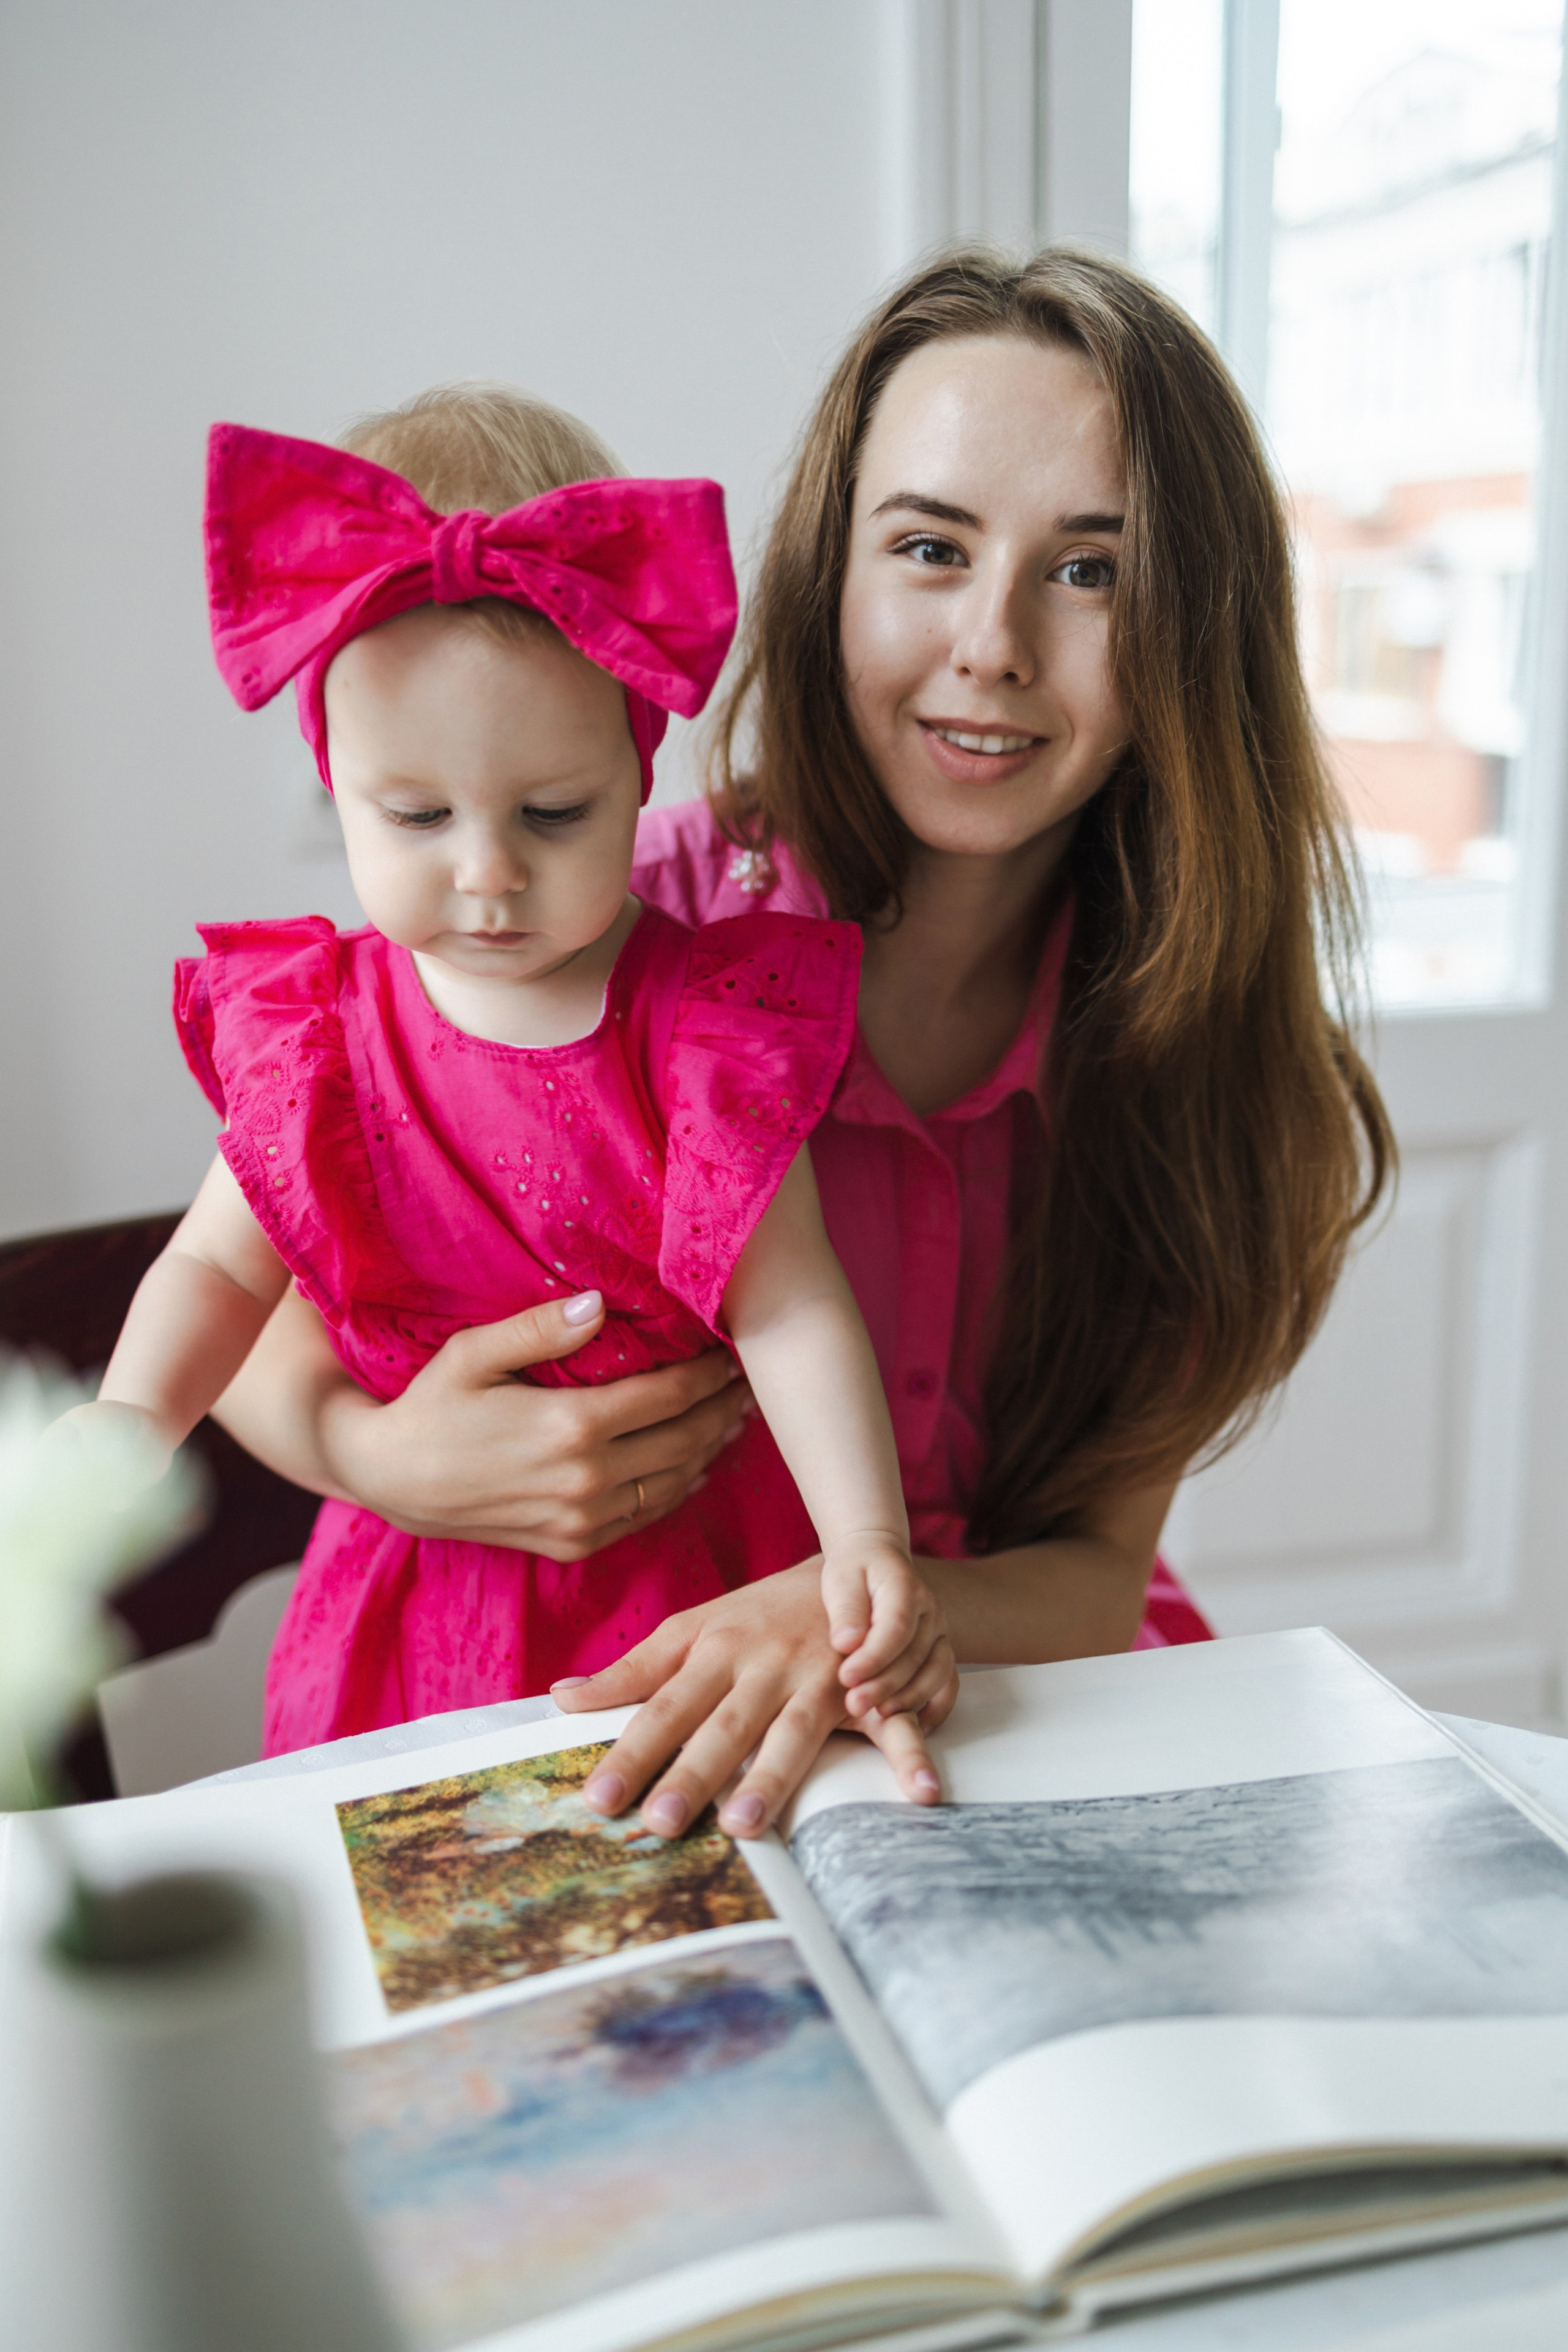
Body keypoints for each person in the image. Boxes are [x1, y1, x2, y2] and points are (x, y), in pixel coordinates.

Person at [214, 249, 1393, 1845]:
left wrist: (832, 1614)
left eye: (1092, 572)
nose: (993, 643)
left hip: (1021, 1707)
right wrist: (385, 1459)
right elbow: (251, 1320)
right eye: (929, 547)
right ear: (825, 573)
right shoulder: (590, 934)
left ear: (1201, 626)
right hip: (647, 1730)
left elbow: (1098, 1574)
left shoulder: (1211, 1065)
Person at [64, 387, 952, 1786]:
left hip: (687, 1583)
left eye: (553, 813)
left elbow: (788, 1303)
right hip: (420, 1591)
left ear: (632, 768)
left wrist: (865, 1543)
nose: (486, 872)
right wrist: (125, 1429)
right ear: (335, 780)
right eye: (415, 817)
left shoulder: (699, 1024)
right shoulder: (318, 1036)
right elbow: (215, 1273)